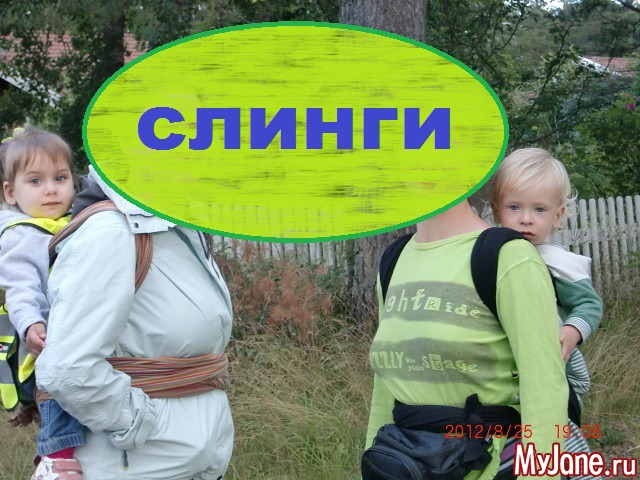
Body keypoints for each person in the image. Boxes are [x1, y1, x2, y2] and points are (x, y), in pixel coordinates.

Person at [34, 166, 234, 480]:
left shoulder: (179, 227)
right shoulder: (111, 231)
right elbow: (68, 369)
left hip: (188, 459)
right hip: (137, 462)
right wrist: (140, 424)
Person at [366, 199, 568, 479]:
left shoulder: (508, 256)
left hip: (490, 465)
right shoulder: (395, 259)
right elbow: (386, 389)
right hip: (406, 466)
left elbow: (545, 387)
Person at [491, 147, 603, 479]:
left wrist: (573, 330)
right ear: (496, 210)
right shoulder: (491, 254)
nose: (526, 218)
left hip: (557, 361)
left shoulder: (556, 262)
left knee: (556, 426)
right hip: (510, 366)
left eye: (539, 209)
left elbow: (589, 304)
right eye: (514, 207)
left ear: (557, 215)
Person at [0, 126, 88, 478]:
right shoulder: (23, 234)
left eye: (60, 178)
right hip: (44, 335)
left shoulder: (71, 221)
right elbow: (20, 288)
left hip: (74, 328)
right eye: (35, 181)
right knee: (58, 391)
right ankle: (56, 457)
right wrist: (31, 323)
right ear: (10, 192)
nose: (51, 189)